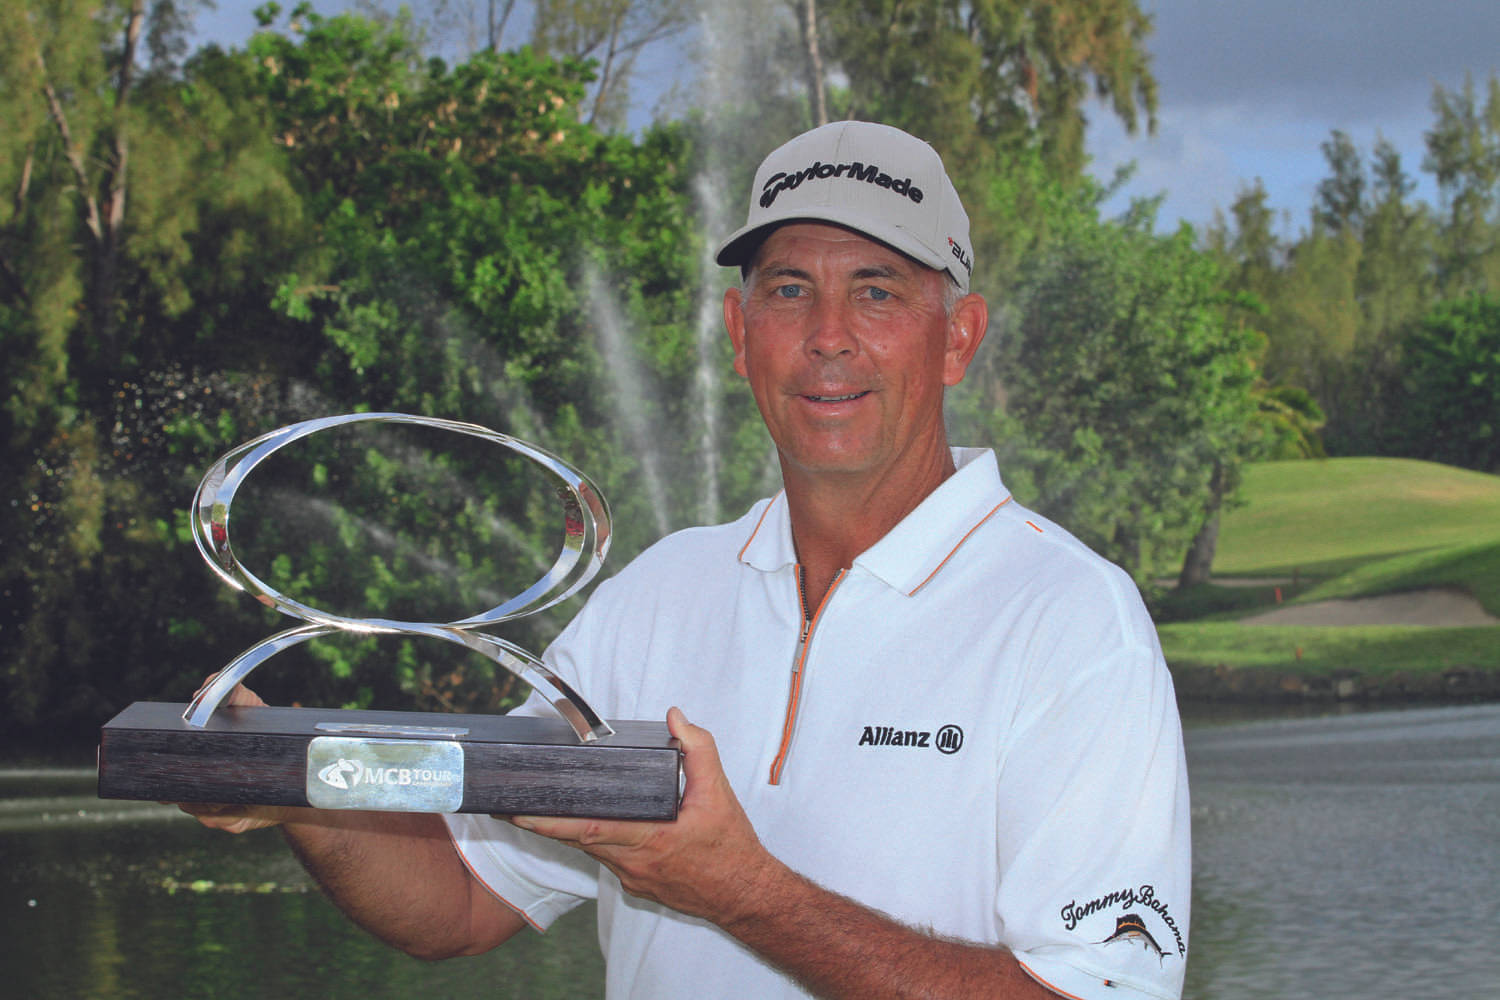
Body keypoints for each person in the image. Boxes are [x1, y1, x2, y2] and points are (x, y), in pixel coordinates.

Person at [186, 121, 1191, 1000]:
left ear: (957, 338)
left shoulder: (1072, 620)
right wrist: (294, 780)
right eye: (789, 290)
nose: (828, 336)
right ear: (739, 333)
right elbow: (458, 895)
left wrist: (743, 891)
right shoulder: (660, 594)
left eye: (877, 291)